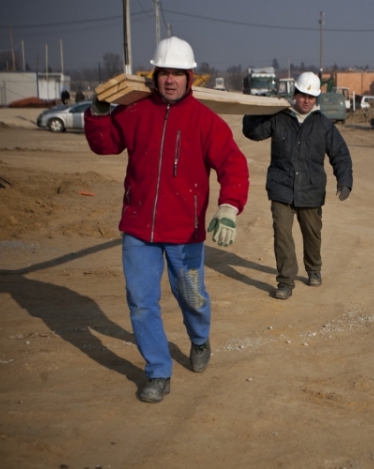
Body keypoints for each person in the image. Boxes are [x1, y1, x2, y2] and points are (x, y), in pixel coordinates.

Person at [84, 37, 250, 403]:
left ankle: (200, 339)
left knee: (192, 297)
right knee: (141, 302)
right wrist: (97, 113)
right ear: (154, 75)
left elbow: (233, 166)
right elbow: (105, 144)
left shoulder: (206, 122)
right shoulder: (135, 112)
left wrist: (228, 207)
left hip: (185, 232)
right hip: (138, 227)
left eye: (178, 73)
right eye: (164, 73)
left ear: (190, 78)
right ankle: (158, 371)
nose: (170, 80)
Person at [242, 72, 353, 300]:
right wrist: (256, 108)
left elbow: (340, 154)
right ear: (295, 94)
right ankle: (285, 282)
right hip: (282, 187)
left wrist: (345, 181)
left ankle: (313, 269)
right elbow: (252, 132)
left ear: (316, 98)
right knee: (282, 235)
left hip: (311, 190)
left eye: (311, 97)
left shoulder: (323, 125)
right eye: (302, 95)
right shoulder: (278, 118)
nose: (306, 100)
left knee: (312, 235)